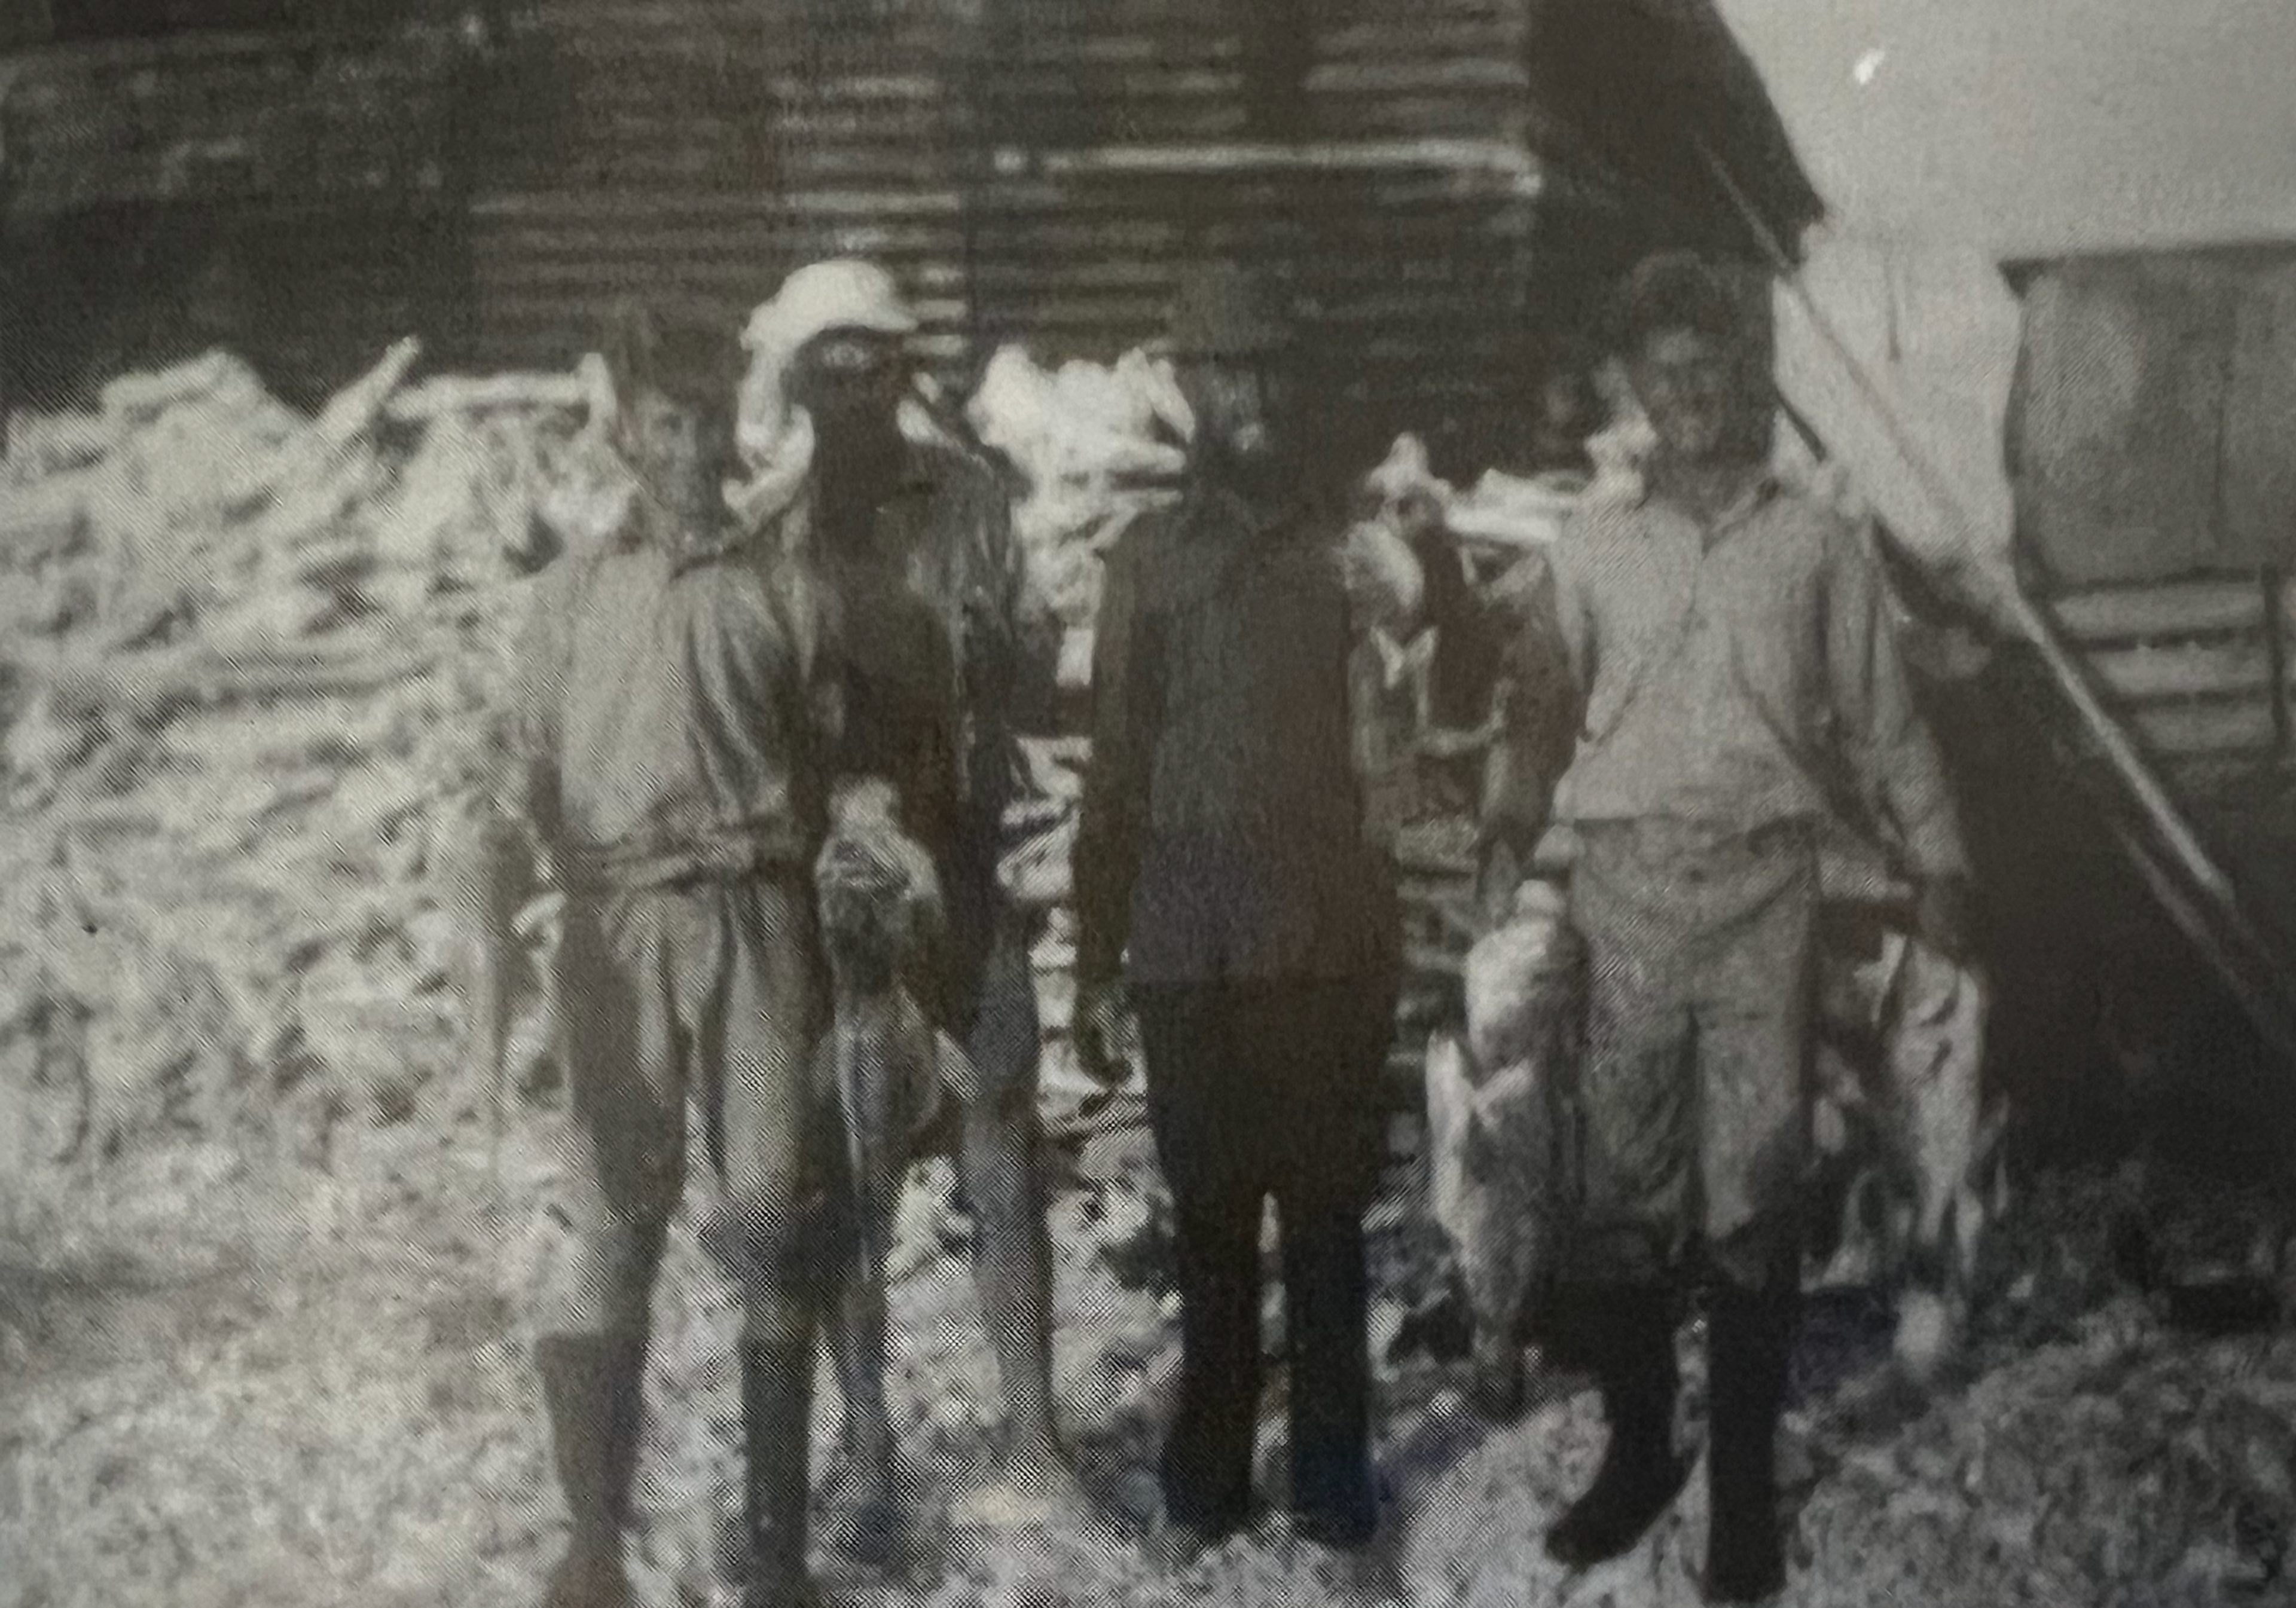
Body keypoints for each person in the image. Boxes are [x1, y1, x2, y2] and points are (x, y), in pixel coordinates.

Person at [1481, 251, 1973, 1603]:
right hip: (1627, 896)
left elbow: (1882, 721)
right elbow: (1533, 707)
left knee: (1753, 1195)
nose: (1690, 393)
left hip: (1767, 895)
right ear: (1634, 388)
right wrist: (1502, 831)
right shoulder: (1589, 547)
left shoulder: (1813, 545)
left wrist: (1941, 858)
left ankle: (1741, 1487)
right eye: (1666, 371)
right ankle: (1642, 1453)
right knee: (1623, 1197)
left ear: (1746, 375)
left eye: (1713, 366)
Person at [457, 304, 836, 1608]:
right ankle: (594, 1544)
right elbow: (524, 760)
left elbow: (836, 769)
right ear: (623, 430)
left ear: (734, 424)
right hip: (615, 935)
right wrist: (503, 816)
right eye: (662, 424)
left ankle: (779, 1555)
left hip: (757, 922)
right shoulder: (569, 595)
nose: (686, 451)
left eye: (705, 421)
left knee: (773, 1220)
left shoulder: (784, 582)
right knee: (616, 1226)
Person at [726, 259, 1086, 1527]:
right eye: (827, 365)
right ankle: (871, 1446)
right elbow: (748, 718)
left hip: (964, 857)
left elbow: (1038, 679)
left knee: (999, 1135)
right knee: (844, 1165)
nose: (851, 386)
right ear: (798, 380)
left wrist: (1010, 658)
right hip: (836, 889)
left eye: (872, 362)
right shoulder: (767, 537)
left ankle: (1036, 1440)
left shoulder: (974, 503)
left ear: (901, 371)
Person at [1071, 263, 1406, 1566]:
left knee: (1324, 1227)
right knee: (1211, 1227)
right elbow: (1115, 768)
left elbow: (1412, 739)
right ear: (1188, 387)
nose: (1252, 395)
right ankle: (1207, 1482)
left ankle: (1332, 1490)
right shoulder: (1149, 562)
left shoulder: (1354, 550)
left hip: (1326, 943)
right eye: (1225, 372)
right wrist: (1098, 957)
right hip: (1190, 948)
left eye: (1272, 368)